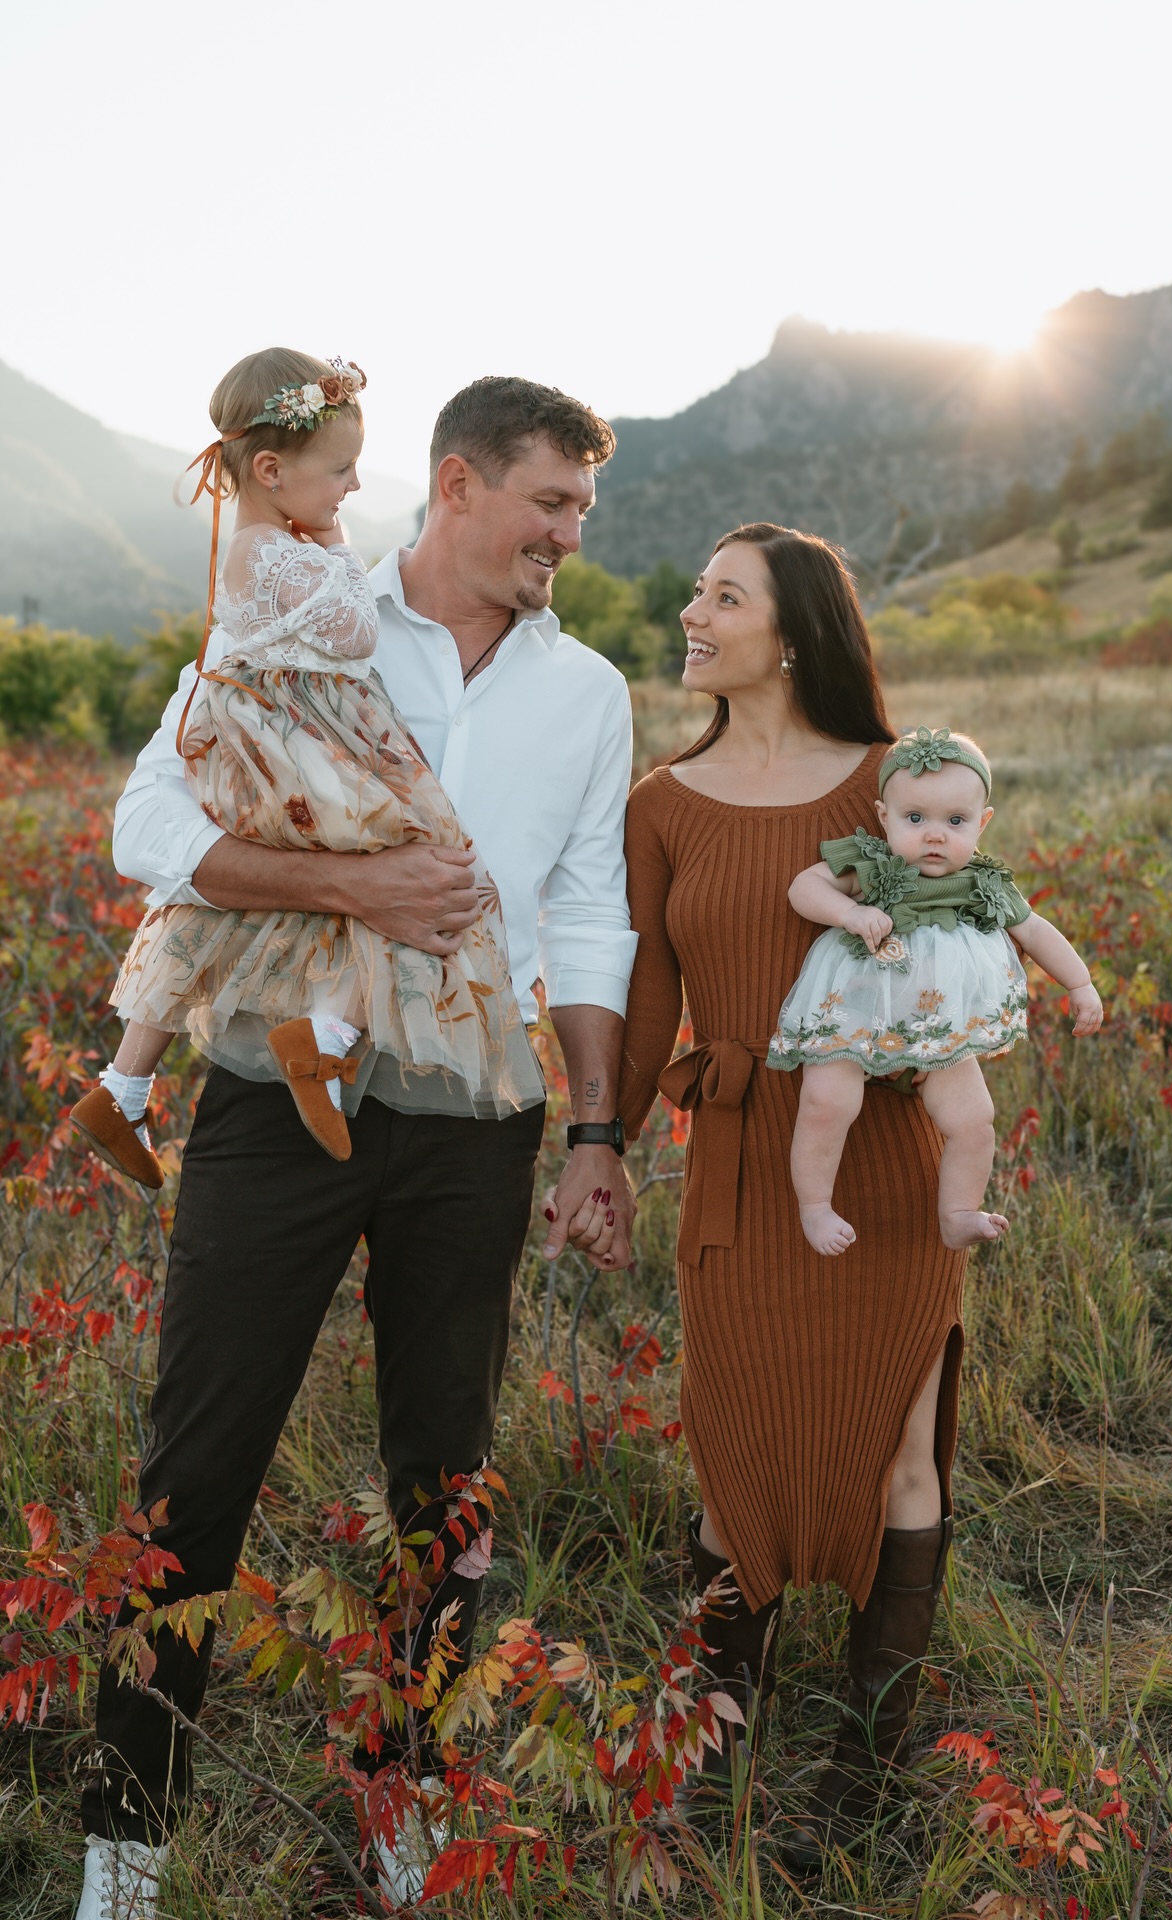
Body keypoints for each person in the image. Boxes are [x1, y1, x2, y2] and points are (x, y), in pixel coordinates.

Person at [75, 376, 638, 1918]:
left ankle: (405, 1803)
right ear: (458, 484)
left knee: (444, 1479)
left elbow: (590, 911)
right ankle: (123, 1848)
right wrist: (348, 893)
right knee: (197, 1462)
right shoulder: (306, 610)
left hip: (479, 1119)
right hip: (276, 1096)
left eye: (583, 510)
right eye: (550, 503)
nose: (570, 536)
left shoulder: (589, 690)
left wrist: (597, 1126)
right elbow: (147, 820)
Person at [617, 523, 965, 1871]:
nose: (693, 613)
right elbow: (651, 993)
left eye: (722, 596)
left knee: (900, 1446)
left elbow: (964, 958)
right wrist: (603, 1142)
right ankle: (716, 1741)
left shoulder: (893, 784)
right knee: (732, 1449)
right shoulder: (665, 801)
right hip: (743, 1155)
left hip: (881, 1156)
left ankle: (872, 1767)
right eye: (697, 589)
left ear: (795, 632)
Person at [69, 349, 541, 1185]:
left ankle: (125, 1084)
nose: (352, 488)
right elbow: (358, 629)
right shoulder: (265, 551)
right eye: (339, 471)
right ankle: (320, 1040)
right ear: (271, 470)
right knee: (422, 853)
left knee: (221, 905)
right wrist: (333, 543)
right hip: (291, 742)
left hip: (277, 737)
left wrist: (320, 534)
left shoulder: (266, 542)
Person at [768, 726, 1102, 1255]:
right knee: (826, 1103)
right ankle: (816, 1207)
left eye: (955, 821)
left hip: (936, 1030)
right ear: (884, 817)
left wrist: (1079, 983)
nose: (934, 835)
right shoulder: (874, 865)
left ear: (982, 823)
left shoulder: (982, 882)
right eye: (915, 818)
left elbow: (1034, 931)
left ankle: (958, 1212)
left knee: (975, 1120)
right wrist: (850, 913)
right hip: (853, 1014)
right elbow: (802, 888)